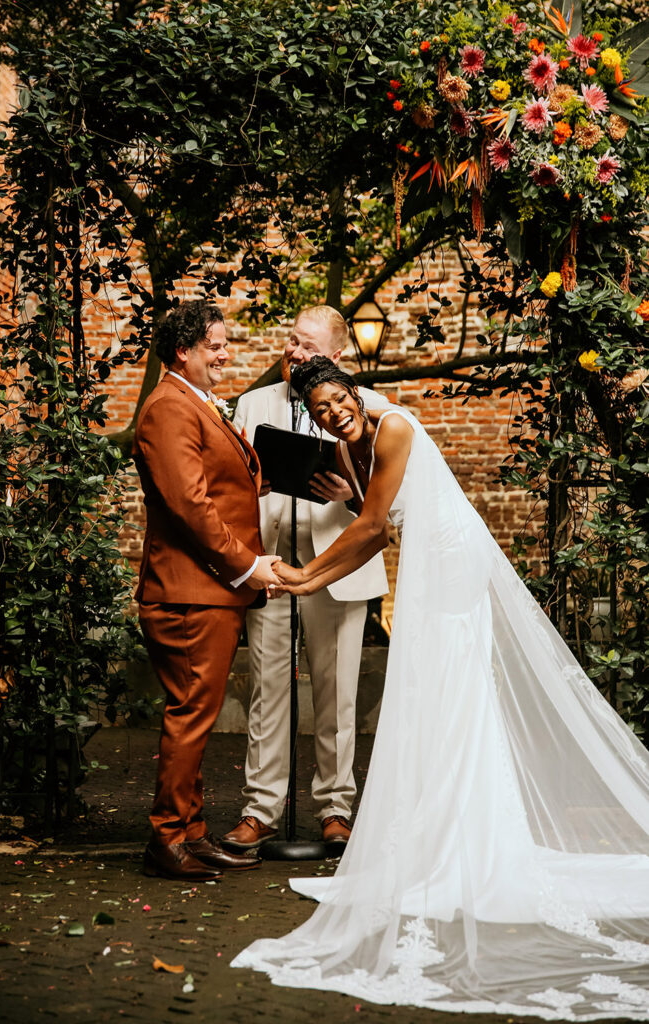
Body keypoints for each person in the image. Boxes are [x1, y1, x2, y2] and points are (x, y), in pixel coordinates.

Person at [232, 356, 649, 1019]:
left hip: (452, 562)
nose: (333, 413)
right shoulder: (348, 443)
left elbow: (371, 528)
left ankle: (463, 841)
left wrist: (305, 579)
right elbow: (376, 524)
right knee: (435, 701)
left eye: (338, 400)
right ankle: (442, 834)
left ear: (355, 392)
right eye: (319, 410)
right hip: (421, 557)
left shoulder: (390, 427)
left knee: (450, 693)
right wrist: (337, 511)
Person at [221, 306, 389, 854]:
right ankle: (260, 810)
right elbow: (226, 485)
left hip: (337, 567)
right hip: (269, 563)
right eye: (291, 341)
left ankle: (336, 808)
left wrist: (352, 494)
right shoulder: (252, 404)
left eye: (308, 345)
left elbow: (388, 504)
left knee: (337, 692)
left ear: (337, 357)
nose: (294, 352)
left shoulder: (368, 410)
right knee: (268, 690)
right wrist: (257, 485)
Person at [133, 300, 282, 881]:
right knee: (192, 714)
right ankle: (166, 838)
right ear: (182, 352)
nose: (225, 353)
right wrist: (248, 566)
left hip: (207, 591)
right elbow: (192, 506)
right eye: (214, 344)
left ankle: (191, 834)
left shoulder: (194, 403)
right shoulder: (169, 408)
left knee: (197, 710)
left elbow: (224, 485)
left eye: (224, 343)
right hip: (189, 592)